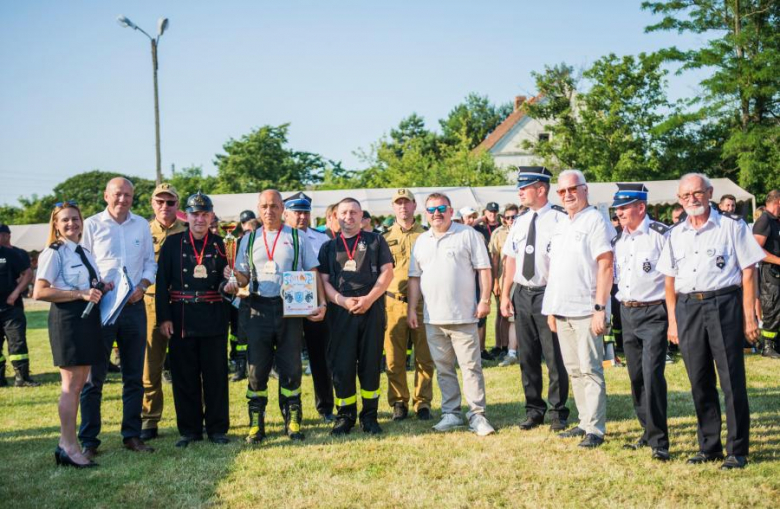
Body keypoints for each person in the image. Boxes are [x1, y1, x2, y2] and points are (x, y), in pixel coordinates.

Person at [657, 173, 764, 470]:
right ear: (679, 199)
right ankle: (710, 446)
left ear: (710, 193)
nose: (692, 199)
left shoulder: (732, 226)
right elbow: (669, 281)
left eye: (697, 193)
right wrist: (673, 322)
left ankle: (737, 449)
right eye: (685, 195)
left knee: (731, 379)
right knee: (699, 380)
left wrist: (749, 316)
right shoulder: (675, 234)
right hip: (688, 307)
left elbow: (748, 271)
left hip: (723, 303)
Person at [227, 189, 326, 443]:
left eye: (274, 206)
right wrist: (234, 278)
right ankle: (256, 423)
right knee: (256, 368)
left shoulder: (296, 236)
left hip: (289, 309)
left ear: (283, 208)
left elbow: (313, 271)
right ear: (258, 209)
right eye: (264, 206)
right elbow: (244, 276)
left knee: (291, 367)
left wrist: (321, 302)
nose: (269, 211)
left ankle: (292, 419)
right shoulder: (248, 240)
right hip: (257, 308)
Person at [79, 177, 157, 459]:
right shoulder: (91, 225)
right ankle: (89, 440)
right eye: (117, 194)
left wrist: (143, 286)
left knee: (134, 376)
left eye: (127, 195)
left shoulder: (141, 226)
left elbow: (150, 261)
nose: (122, 199)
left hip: (134, 307)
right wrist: (95, 285)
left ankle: (132, 436)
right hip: (102, 308)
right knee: (93, 378)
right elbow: (82, 263)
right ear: (105, 196)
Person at [408, 192, 496, 436]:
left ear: (450, 210)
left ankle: (477, 415)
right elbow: (415, 279)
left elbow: (484, 269)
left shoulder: (468, 235)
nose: (436, 213)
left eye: (441, 208)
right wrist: (411, 309)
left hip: (464, 315)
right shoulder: (422, 240)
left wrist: (485, 300)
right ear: (425, 213)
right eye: (431, 209)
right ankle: (451, 413)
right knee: (444, 368)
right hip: (433, 318)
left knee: (471, 368)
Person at [33, 201, 113, 467]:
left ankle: (67, 444)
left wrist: (103, 286)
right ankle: (68, 445)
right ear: (55, 224)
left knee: (80, 385)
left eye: (75, 219)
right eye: (65, 220)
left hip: (86, 321)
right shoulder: (53, 252)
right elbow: (40, 291)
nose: (71, 224)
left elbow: (87, 285)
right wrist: (80, 293)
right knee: (70, 387)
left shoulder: (84, 251)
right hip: (67, 322)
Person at [542, 169, 616, 448]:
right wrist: (551, 308)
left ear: (585, 190)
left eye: (572, 189)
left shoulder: (596, 220)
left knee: (591, 370)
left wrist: (600, 308)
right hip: (562, 309)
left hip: (587, 309)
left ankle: (595, 429)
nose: (567, 194)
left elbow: (606, 265)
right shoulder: (561, 223)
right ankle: (584, 422)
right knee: (573, 370)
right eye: (561, 191)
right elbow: (555, 269)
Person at [155, 192, 231, 447]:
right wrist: (163, 317)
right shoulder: (172, 243)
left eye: (204, 214)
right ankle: (189, 430)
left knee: (216, 377)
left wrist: (230, 280)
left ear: (211, 216)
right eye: (195, 214)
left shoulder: (223, 244)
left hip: (213, 315)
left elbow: (228, 282)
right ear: (185, 216)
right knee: (185, 377)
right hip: (181, 316)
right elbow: (161, 282)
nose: (200, 219)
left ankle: (218, 429)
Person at [500, 167, 570, 432]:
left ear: (541, 189)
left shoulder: (560, 219)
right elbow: (512, 261)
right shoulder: (519, 221)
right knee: (527, 356)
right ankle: (533, 409)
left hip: (548, 292)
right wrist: (506, 294)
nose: (520, 191)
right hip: (522, 292)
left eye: (525, 186)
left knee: (554, 356)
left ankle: (557, 411)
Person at [318, 198, 394, 435]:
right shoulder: (329, 247)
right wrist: (342, 301)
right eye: (343, 213)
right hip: (341, 312)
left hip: (371, 309)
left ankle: (369, 417)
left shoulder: (375, 241)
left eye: (353, 212)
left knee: (370, 364)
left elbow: (387, 273)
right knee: (342, 366)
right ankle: (345, 416)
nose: (348, 217)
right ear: (335, 217)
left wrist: (369, 299)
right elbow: (324, 282)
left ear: (362, 216)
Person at [612, 183, 671, 461]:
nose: (620, 212)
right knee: (636, 376)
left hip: (654, 312)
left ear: (641, 207)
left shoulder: (660, 235)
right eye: (618, 208)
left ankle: (660, 441)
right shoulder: (618, 240)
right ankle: (647, 431)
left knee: (652, 374)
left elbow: (673, 278)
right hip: (627, 312)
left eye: (624, 207)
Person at [140, 183, 188, 441]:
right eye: (160, 202)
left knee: (188, 365)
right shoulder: (142, 232)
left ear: (177, 205)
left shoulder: (188, 232)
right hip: (150, 304)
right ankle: (149, 420)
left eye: (170, 202)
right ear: (152, 203)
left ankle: (193, 415)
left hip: (180, 304)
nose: (165, 207)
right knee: (150, 366)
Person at [382, 188, 435, 421]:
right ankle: (398, 402)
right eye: (398, 203)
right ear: (393, 207)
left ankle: (423, 402)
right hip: (393, 304)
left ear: (415, 206)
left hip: (424, 303)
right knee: (394, 357)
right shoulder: (382, 239)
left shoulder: (427, 235)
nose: (403, 207)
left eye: (407, 203)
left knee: (425, 357)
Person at [283, 193, 336, 422]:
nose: (302, 216)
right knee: (289, 359)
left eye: (305, 212)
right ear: (286, 213)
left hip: (316, 305)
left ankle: (325, 407)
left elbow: (327, 274)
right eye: (297, 212)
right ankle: (291, 410)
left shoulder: (321, 239)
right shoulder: (278, 238)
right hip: (287, 306)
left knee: (321, 358)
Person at [0, 223, 37, 387]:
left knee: (17, 342)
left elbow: (28, 273)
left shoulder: (9, 254)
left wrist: (15, 294)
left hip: (11, 308)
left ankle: (22, 378)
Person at [489, 204, 518, 360]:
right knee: (503, 314)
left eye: (514, 216)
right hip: (502, 277)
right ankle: (502, 345)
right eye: (508, 217)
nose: (511, 220)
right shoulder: (498, 234)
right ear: (503, 219)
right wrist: (494, 282)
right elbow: (494, 261)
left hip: (520, 278)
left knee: (517, 314)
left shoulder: (523, 229)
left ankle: (514, 346)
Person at [753, 190, 780, 359]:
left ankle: (776, 343)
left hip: (777, 270)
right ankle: (767, 346)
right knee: (772, 308)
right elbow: (756, 249)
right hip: (770, 272)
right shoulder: (764, 220)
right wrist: (778, 260)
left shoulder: (775, 221)